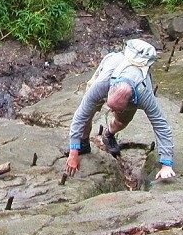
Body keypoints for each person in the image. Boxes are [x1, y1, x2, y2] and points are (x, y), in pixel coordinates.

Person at [65, 38, 176, 180]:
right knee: (88, 113)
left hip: (133, 93)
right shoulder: (102, 84)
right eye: (110, 107)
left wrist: (167, 164)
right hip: (109, 68)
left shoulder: (144, 94)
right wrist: (74, 151)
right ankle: (83, 143)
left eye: (115, 109)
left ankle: (108, 134)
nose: (110, 111)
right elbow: (81, 115)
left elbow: (161, 125)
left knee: (121, 122)